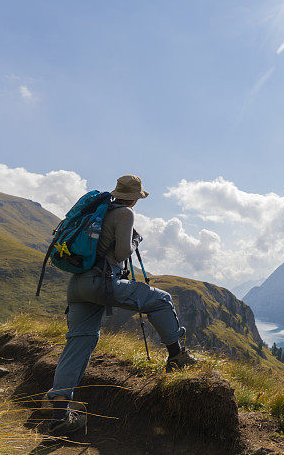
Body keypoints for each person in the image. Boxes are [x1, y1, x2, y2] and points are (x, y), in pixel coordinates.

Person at [46, 174, 197, 436]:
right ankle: (177, 357)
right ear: (136, 198)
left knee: (79, 341)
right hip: (102, 282)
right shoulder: (125, 213)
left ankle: (60, 414)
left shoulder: (97, 211)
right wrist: (136, 241)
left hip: (78, 285)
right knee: (162, 300)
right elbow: (122, 254)